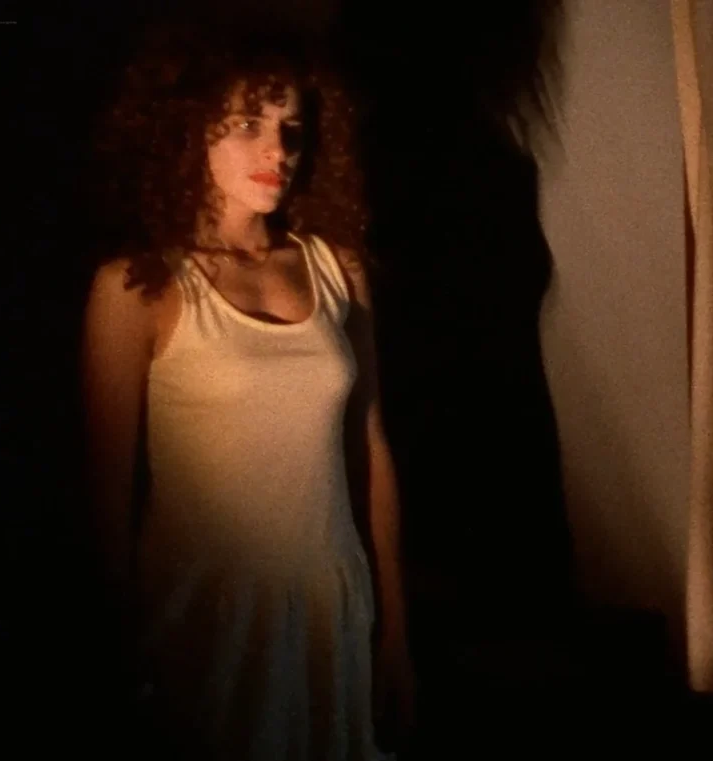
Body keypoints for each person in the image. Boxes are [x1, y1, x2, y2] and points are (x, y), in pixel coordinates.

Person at [81, 19, 415, 760]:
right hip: (205, 616)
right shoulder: (138, 287)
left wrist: (395, 626)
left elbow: (371, 448)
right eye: (248, 126)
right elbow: (106, 498)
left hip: (331, 600)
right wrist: (116, 650)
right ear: (187, 129)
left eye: (291, 128)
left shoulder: (336, 269)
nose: (277, 151)